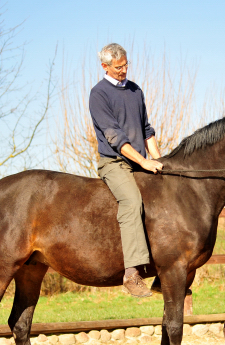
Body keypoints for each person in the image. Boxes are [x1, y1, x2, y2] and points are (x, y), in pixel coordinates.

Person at [89, 43, 163, 297]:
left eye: (126, 65)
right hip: (114, 163)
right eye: (118, 67)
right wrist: (143, 162)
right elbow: (115, 138)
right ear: (105, 67)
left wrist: (159, 160)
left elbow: (146, 130)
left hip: (140, 160)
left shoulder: (135, 90)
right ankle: (131, 273)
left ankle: (164, 266)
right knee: (132, 201)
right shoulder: (98, 94)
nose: (123, 70)